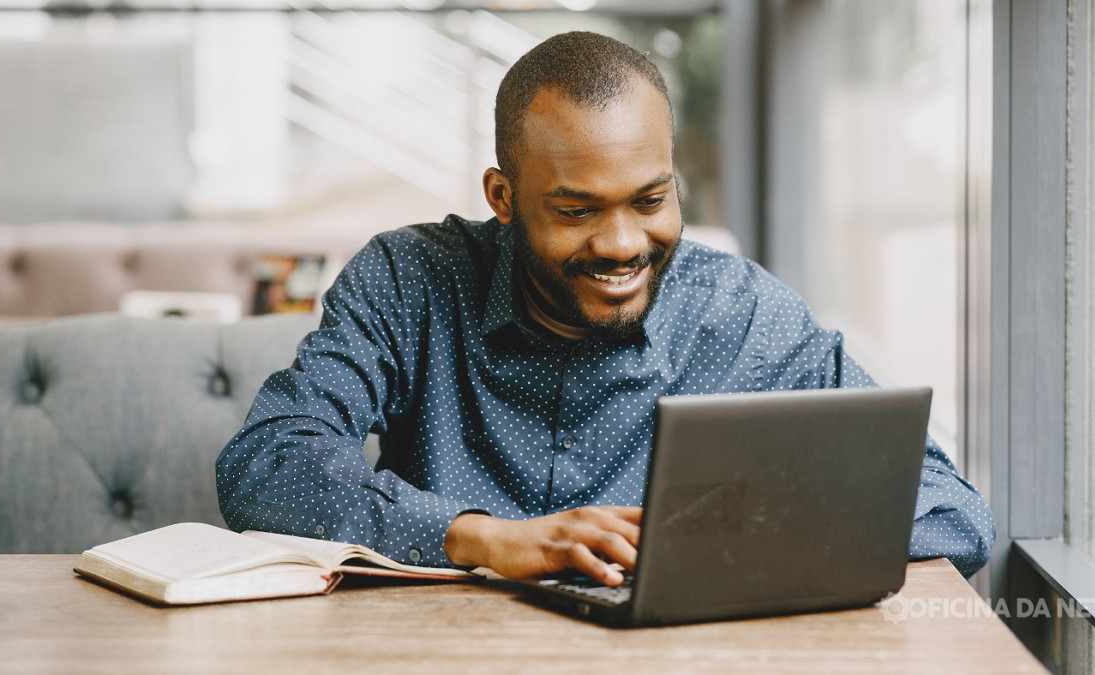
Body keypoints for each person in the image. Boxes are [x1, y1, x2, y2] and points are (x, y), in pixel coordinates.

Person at [216, 31, 995, 582]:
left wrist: (704, 549)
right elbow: (265, 461)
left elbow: (951, 514)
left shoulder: (743, 314)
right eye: (578, 210)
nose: (625, 242)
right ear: (504, 197)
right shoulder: (409, 279)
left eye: (650, 199)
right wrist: (482, 538)